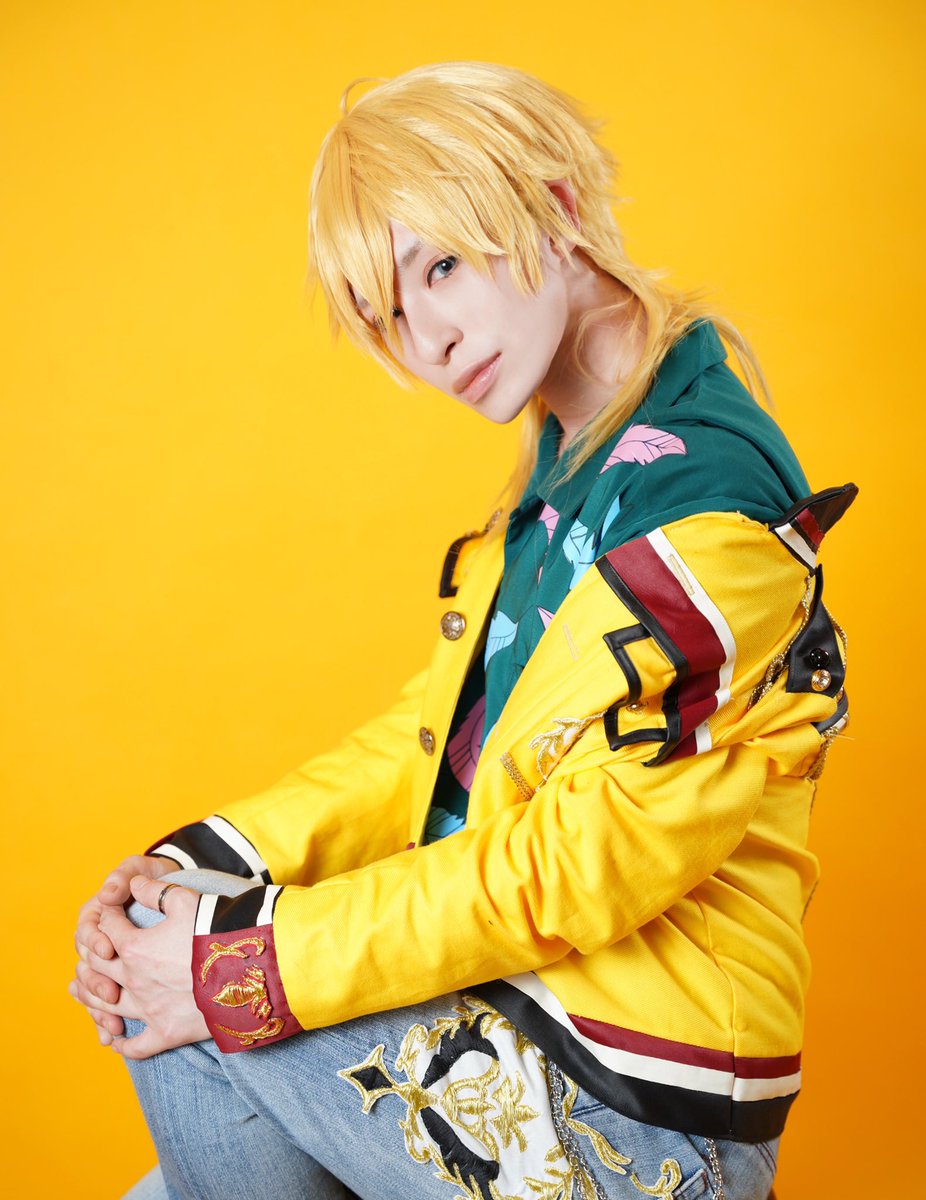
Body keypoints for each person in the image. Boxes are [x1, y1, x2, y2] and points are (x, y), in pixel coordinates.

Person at [71, 61, 855, 1200]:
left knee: (200, 1014)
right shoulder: (568, 470)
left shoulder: (701, 506)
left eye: (440, 266)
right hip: (514, 1028)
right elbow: (434, 747)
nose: (428, 338)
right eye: (392, 312)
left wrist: (243, 964)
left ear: (557, 206)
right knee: (178, 963)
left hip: (645, 1121)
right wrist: (199, 864)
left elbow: (570, 868)